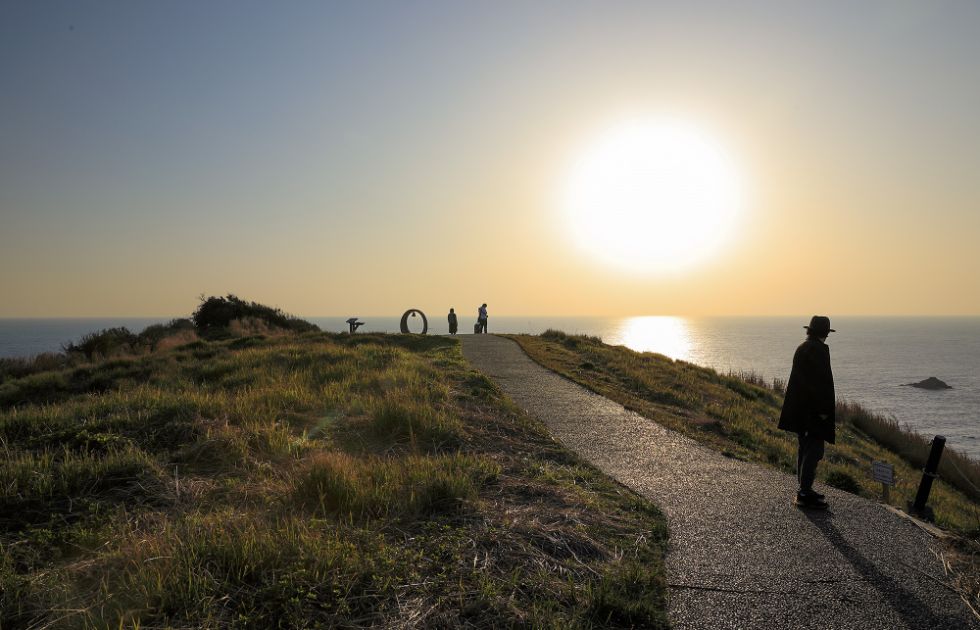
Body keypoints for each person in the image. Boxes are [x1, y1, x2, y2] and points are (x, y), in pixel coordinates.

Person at [778, 315, 836, 509]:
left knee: (804, 447)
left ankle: (804, 488)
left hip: (799, 410)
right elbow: (820, 383)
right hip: (813, 412)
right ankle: (804, 491)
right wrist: (822, 410)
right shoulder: (818, 350)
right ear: (825, 333)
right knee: (815, 449)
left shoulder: (803, 347)